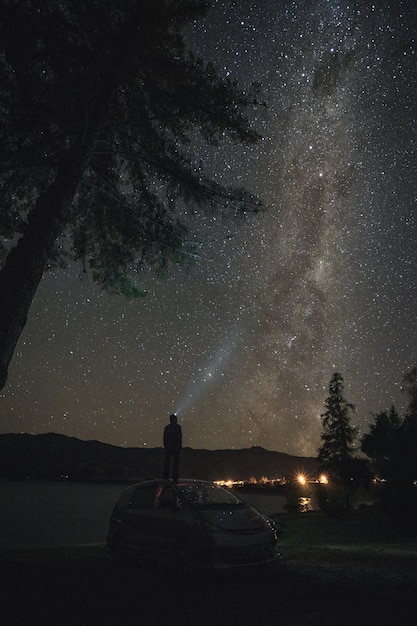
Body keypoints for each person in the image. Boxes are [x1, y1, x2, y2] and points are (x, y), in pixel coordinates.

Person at [163, 413, 182, 482]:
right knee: (172, 463)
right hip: (173, 448)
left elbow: (165, 438)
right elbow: (179, 437)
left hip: (172, 448)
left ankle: (168, 477)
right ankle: (171, 477)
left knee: (171, 463)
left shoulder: (169, 428)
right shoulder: (177, 427)